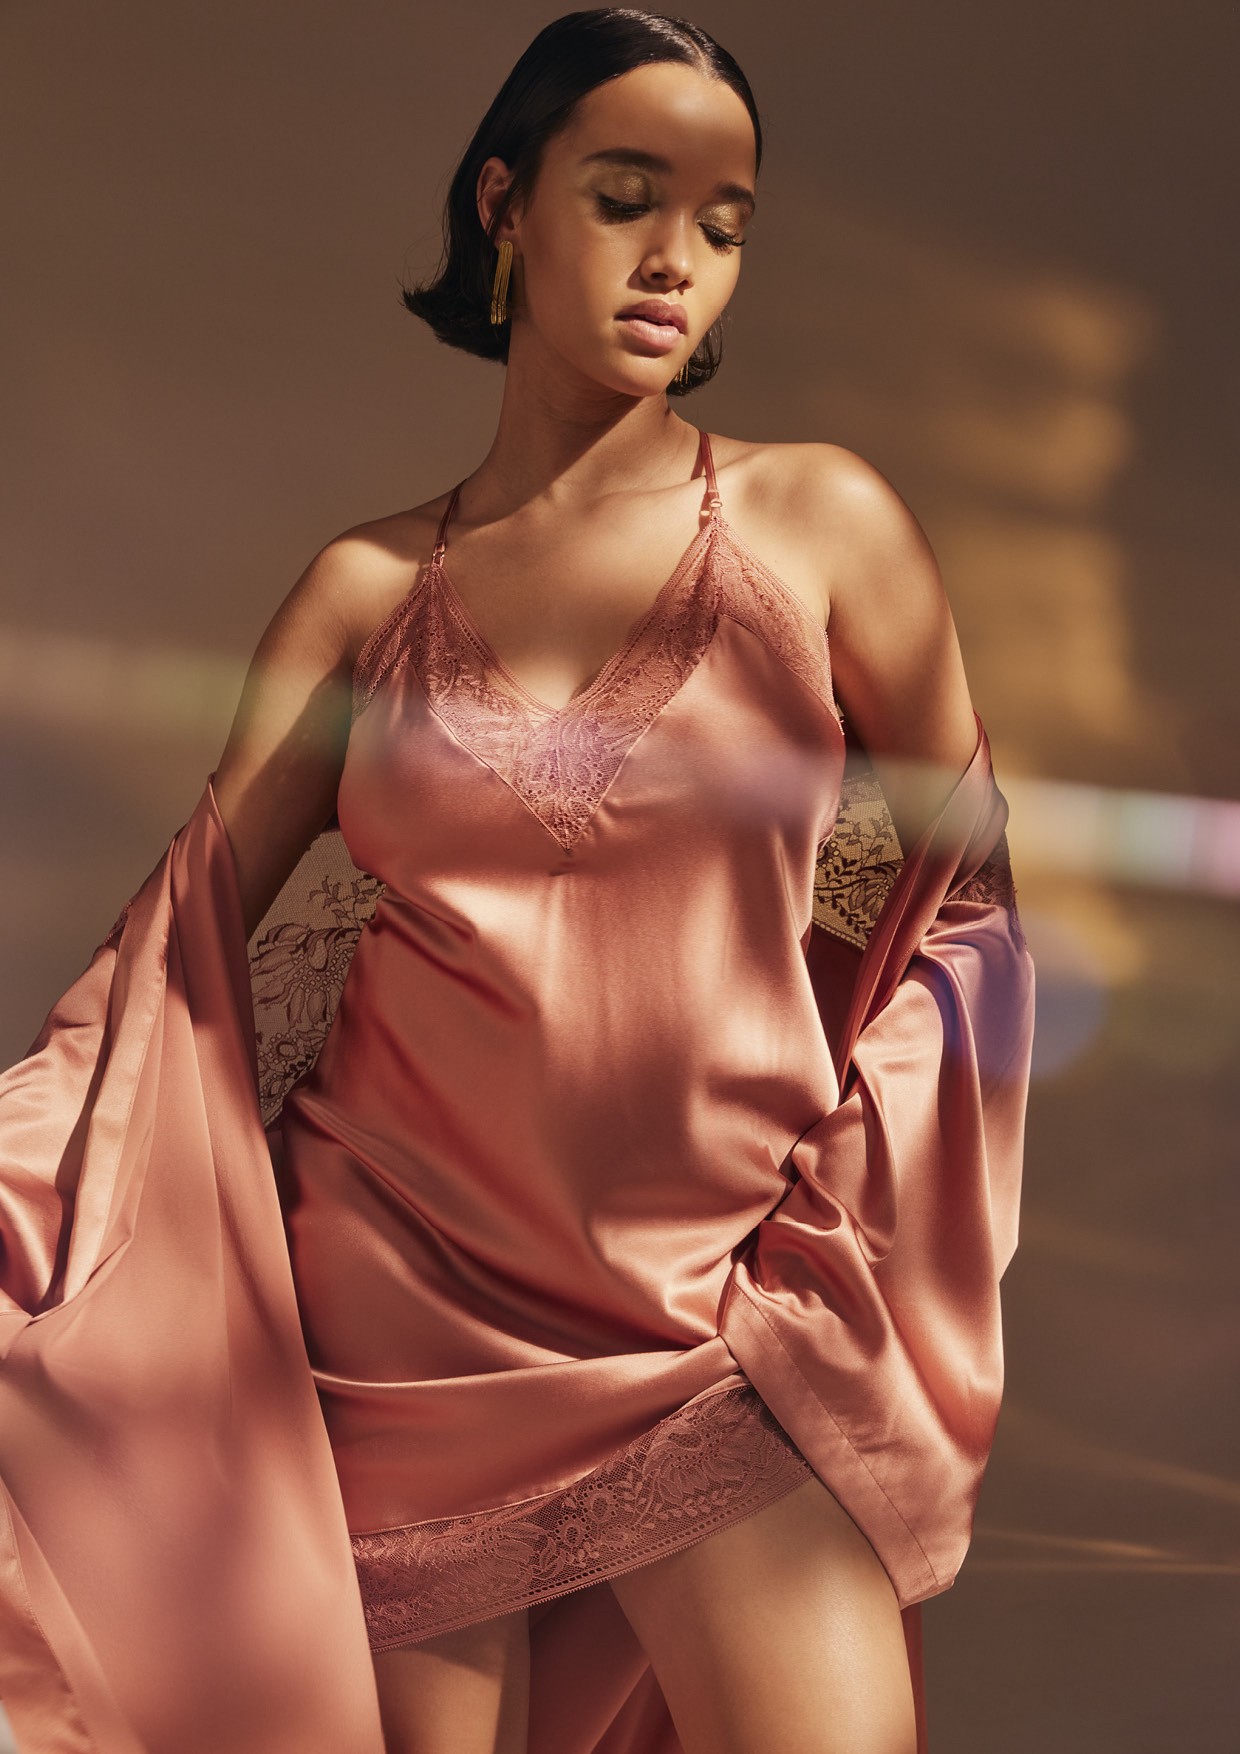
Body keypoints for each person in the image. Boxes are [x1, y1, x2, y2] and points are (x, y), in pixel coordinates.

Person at [0, 11, 1035, 1754]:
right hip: (402, 1339)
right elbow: (175, 960)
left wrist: (819, 1201)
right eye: (626, 198)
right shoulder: (364, 596)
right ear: (504, 204)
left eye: (723, 224)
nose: (676, 261)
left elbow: (958, 895)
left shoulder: (818, 526)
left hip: (709, 1317)